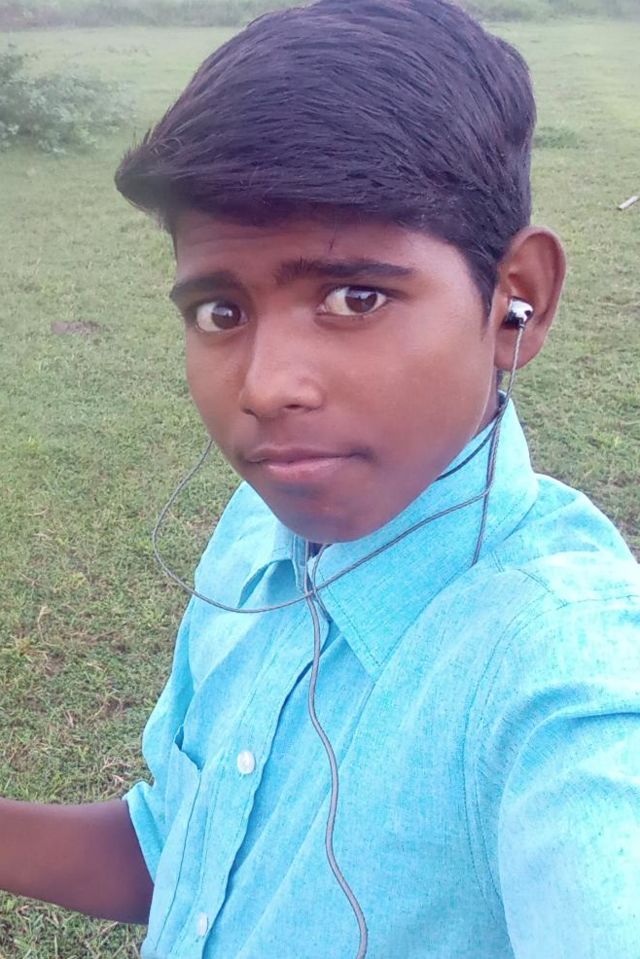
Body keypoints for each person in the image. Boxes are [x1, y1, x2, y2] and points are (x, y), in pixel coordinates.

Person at [1, 0, 639, 956]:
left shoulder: (565, 678)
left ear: (519, 300)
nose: (265, 388)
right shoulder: (258, 529)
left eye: (355, 295)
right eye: (220, 312)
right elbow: (181, 853)